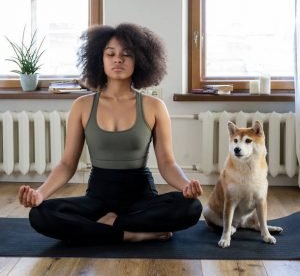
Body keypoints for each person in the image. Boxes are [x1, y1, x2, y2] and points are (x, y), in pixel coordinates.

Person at [18, 23, 203, 244]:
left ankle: (108, 226)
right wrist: (40, 194)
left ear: (140, 61)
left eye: (127, 55)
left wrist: (185, 187)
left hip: (141, 198)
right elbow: (67, 164)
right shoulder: (82, 106)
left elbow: (167, 163)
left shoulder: (154, 106)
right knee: (40, 214)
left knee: (191, 207)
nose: (118, 59)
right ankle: (129, 233)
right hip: (97, 198)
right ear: (100, 59)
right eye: (110, 54)